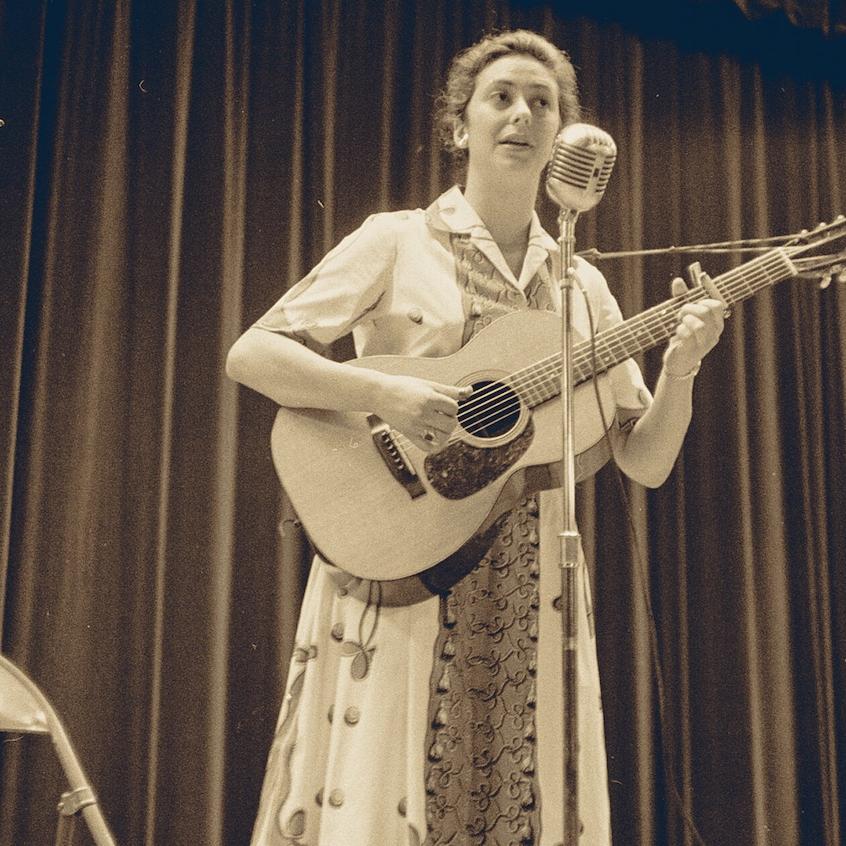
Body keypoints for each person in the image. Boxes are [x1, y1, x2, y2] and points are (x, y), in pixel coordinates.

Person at [227, 28, 725, 846]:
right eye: (502, 97)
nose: (523, 113)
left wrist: (683, 368)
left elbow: (644, 461)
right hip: (399, 551)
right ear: (459, 127)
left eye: (543, 101)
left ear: (564, 137)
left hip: (535, 578)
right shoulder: (396, 239)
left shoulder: (582, 283)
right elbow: (254, 354)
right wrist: (386, 390)